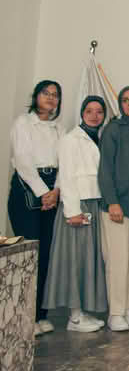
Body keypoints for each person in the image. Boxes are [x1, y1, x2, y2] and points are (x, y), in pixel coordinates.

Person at [42, 96, 108, 332]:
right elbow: (66, 177)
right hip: (78, 205)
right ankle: (75, 317)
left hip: (94, 202)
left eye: (99, 111)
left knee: (88, 259)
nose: (94, 116)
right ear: (82, 113)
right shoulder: (70, 139)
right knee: (75, 260)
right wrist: (72, 211)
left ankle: (81, 312)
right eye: (89, 111)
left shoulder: (100, 138)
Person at [8, 80, 65, 336]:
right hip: (27, 191)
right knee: (28, 255)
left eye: (55, 95)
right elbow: (23, 161)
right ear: (36, 96)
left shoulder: (59, 128)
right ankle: (24, 317)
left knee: (45, 256)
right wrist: (44, 192)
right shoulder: (23, 123)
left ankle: (40, 314)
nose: (51, 98)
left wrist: (56, 190)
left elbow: (65, 162)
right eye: (46, 93)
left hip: (53, 190)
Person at [98, 86, 129, 332]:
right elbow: (105, 167)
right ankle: (116, 312)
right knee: (118, 261)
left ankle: (128, 307)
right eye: (125, 100)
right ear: (120, 104)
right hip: (117, 206)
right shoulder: (113, 129)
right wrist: (112, 201)